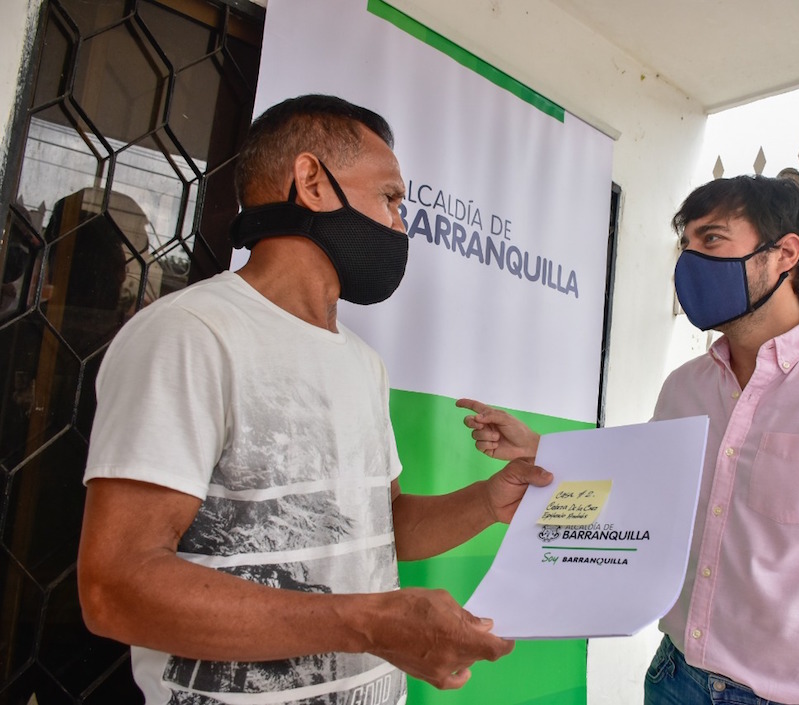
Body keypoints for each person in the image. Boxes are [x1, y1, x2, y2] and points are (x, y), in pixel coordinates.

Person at [77, 94, 552, 705]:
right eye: (390, 198)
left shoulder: (361, 361)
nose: (401, 226)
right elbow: (116, 587)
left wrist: (488, 499)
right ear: (312, 183)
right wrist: (368, 623)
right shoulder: (191, 334)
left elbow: (382, 529)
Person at [457, 175, 799, 705]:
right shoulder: (686, 386)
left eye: (711, 240)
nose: (690, 263)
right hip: (676, 678)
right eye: (685, 246)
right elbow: (641, 490)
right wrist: (539, 449)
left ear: (784, 254)